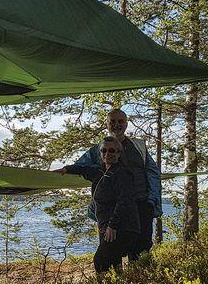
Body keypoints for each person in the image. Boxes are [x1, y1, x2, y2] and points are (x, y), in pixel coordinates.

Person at [74, 109, 162, 255]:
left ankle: (140, 277)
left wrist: (151, 202)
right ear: (107, 124)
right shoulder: (99, 149)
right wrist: (63, 170)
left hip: (140, 204)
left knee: (141, 251)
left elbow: (153, 173)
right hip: (110, 209)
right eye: (112, 122)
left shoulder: (139, 147)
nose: (116, 125)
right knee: (108, 253)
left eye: (120, 121)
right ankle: (113, 277)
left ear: (126, 124)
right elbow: (80, 166)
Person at [60, 136, 141, 273]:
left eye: (112, 151)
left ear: (119, 153)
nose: (107, 154)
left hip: (123, 226)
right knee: (114, 264)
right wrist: (66, 169)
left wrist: (112, 226)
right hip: (107, 226)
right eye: (104, 150)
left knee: (101, 261)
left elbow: (124, 201)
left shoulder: (123, 173)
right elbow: (83, 170)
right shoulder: (100, 171)